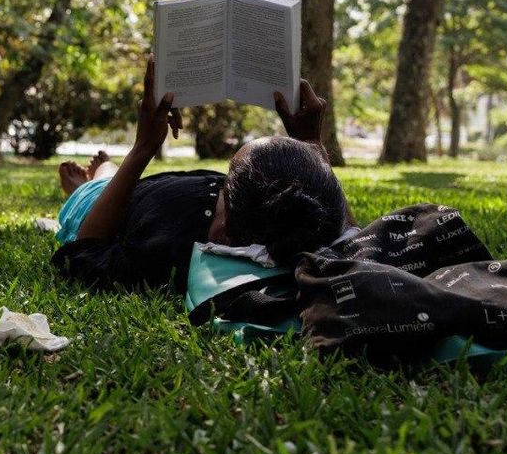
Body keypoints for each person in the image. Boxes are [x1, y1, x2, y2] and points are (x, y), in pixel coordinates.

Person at [51, 56, 352, 292]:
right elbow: (353, 238)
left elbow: (81, 253)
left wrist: (143, 148)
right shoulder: (311, 224)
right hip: (162, 187)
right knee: (107, 173)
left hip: (106, 206)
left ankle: (86, 183)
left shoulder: (165, 251)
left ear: (230, 207)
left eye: (231, 173)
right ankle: (103, 172)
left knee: (103, 178)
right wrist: (311, 144)